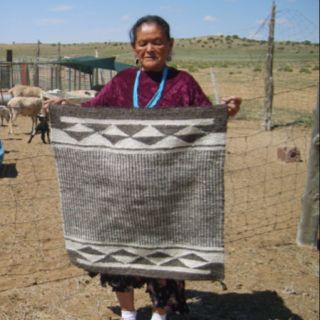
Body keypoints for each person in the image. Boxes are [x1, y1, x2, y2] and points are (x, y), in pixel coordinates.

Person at [45, 15, 241, 320]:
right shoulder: (122, 82)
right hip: (120, 193)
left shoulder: (183, 83)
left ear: (170, 45)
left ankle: (160, 314)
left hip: (169, 197)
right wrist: (64, 109)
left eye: (157, 41)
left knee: (165, 257)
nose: (150, 48)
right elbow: (91, 114)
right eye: (143, 43)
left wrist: (225, 112)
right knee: (120, 253)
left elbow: (205, 121)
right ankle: (128, 313)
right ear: (134, 48)